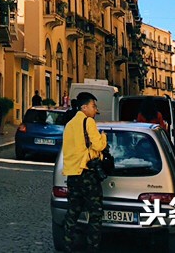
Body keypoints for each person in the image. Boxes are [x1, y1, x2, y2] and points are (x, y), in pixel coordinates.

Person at [61, 91, 107, 251]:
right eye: (94, 106)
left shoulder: (69, 125)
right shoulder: (88, 122)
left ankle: (67, 245)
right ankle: (92, 247)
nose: (96, 110)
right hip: (87, 174)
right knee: (95, 214)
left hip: (72, 175)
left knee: (72, 212)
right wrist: (104, 136)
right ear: (84, 107)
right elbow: (99, 146)